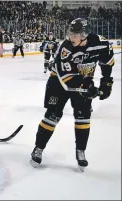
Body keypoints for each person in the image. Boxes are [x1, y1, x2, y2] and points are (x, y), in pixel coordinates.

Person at [30, 18, 115, 171]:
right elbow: (67, 78)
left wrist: (106, 83)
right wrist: (87, 86)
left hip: (84, 81)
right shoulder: (65, 48)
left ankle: (80, 151)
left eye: (75, 35)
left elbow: (107, 61)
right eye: (70, 34)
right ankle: (38, 148)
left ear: (84, 35)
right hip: (58, 83)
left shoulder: (101, 43)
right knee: (52, 116)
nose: (71, 37)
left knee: (83, 117)